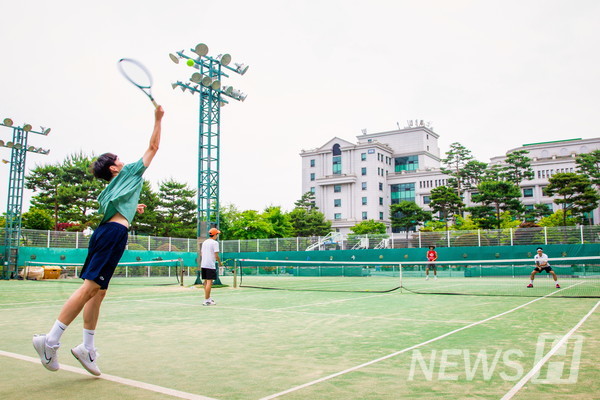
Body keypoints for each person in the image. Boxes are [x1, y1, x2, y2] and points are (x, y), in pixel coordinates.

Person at [33, 106, 164, 376]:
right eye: (120, 159)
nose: (125, 161)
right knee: (88, 289)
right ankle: (50, 341)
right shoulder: (128, 174)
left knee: (98, 291)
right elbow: (153, 146)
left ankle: (86, 348)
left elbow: (114, 210)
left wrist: (133, 208)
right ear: (115, 167)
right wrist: (158, 118)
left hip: (104, 233)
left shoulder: (107, 191)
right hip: (113, 235)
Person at [200, 227, 223, 306]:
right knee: (209, 282)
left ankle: (208, 298)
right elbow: (216, 255)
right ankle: (206, 300)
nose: (217, 235)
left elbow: (201, 254)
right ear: (215, 235)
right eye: (217, 234)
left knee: (206, 282)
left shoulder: (204, 242)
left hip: (203, 264)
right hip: (210, 265)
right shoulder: (215, 243)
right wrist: (220, 263)